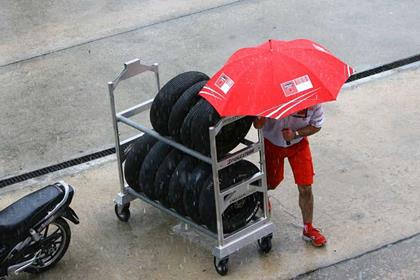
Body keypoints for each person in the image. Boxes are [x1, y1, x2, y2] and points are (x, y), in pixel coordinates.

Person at [254, 104, 327, 247]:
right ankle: (262, 196)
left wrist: (296, 134)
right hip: (272, 144)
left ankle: (308, 228)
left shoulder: (313, 101)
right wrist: (260, 118)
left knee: (306, 187)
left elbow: (317, 125)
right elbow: (257, 125)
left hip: (298, 145)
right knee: (270, 183)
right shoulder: (267, 97)